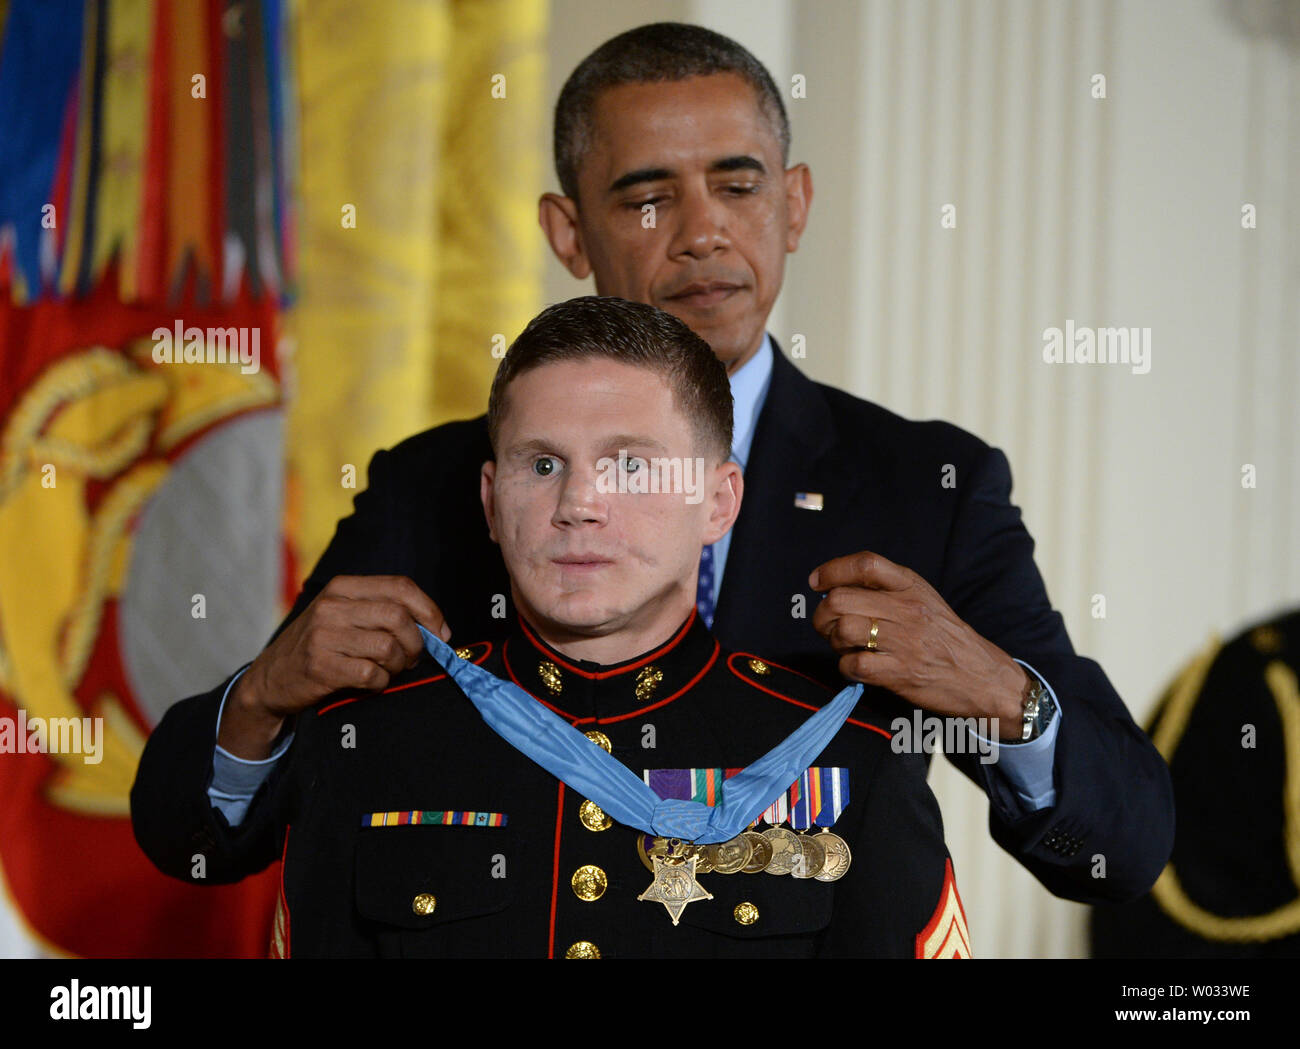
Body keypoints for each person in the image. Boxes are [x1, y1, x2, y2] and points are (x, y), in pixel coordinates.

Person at [147, 22, 1172, 907]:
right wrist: (262, 697)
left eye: (738, 184)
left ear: (795, 205)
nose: (701, 233)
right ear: (566, 231)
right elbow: (198, 840)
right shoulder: (439, 482)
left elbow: (1123, 851)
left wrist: (1001, 693)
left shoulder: (921, 488)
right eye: (646, 198)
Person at [132, 296, 971, 958]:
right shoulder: (366, 744)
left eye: (631, 464)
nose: (577, 505)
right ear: (493, 504)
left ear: (718, 501)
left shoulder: (848, 756)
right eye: (543, 464)